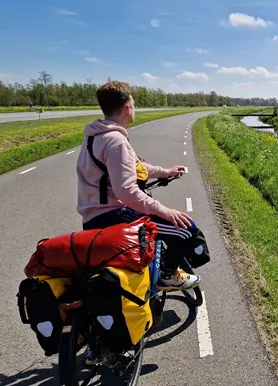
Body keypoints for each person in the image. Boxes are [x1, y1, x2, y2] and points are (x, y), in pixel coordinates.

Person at [76, 80, 205, 291]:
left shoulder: (95, 136)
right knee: (186, 229)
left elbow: (136, 167)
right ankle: (167, 275)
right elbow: (127, 192)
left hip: (91, 217)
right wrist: (165, 211)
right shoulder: (116, 141)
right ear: (128, 108)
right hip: (113, 216)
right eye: (134, 104)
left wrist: (166, 171)